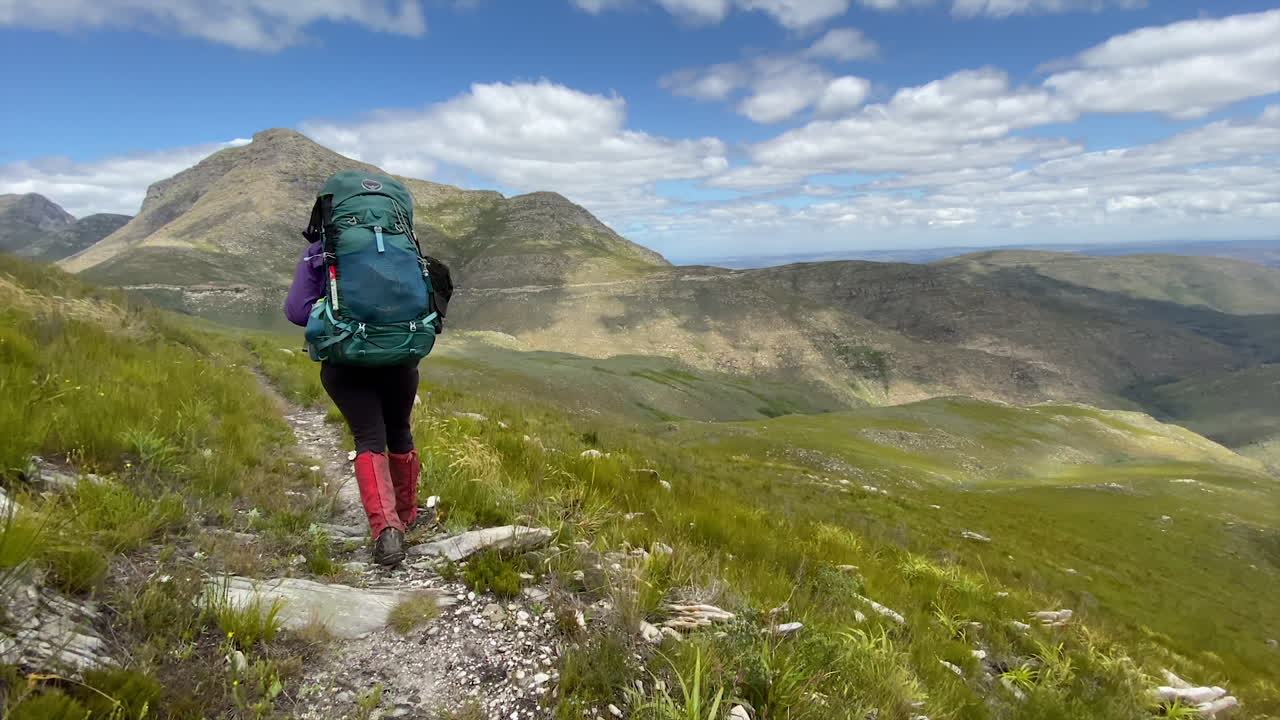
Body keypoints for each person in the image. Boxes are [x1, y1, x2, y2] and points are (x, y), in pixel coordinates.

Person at [283, 218, 420, 566]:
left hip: (345, 361)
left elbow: (296, 311)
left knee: (369, 437)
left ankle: (387, 532)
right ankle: (407, 516)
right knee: (400, 431)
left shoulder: (321, 252)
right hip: (400, 355)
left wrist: (335, 312)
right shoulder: (401, 245)